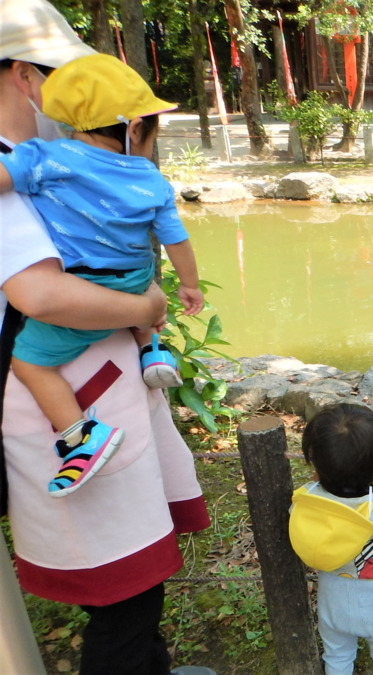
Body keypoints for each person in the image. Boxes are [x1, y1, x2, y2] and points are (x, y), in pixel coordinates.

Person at [0, 2, 209, 673]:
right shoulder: (31, 165)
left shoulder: (45, 163)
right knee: (122, 597)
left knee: (138, 586)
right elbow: (40, 294)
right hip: (70, 396)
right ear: (25, 76)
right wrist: (149, 301)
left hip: (102, 383)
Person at [0, 51, 203, 497]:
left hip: (89, 286)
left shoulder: (45, 158)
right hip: (137, 278)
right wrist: (189, 285)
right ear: (135, 129)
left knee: (29, 361)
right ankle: (152, 351)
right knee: (141, 293)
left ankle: (81, 435)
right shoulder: (151, 178)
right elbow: (177, 240)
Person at [291, 403, 373, 675]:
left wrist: (322, 471)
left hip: (332, 600)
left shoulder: (307, 498)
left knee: (337, 656)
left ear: (314, 460)